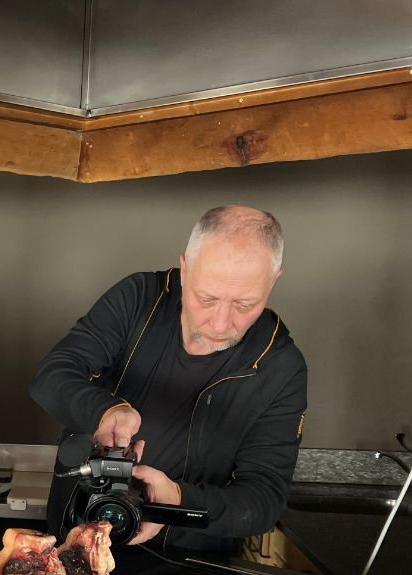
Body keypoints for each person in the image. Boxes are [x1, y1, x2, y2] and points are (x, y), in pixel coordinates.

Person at [30, 205, 308, 553]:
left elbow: (263, 500)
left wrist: (179, 499)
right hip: (78, 542)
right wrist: (103, 411)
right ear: (185, 268)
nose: (220, 324)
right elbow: (53, 373)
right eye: (206, 298)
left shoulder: (281, 366)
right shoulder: (139, 298)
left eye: (244, 304)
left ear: (274, 279)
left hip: (189, 567)